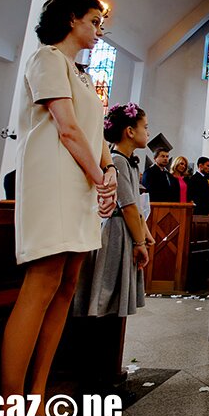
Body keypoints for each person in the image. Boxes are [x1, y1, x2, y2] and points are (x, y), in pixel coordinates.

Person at [0, 0, 117, 416]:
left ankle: (39, 392)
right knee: (41, 283)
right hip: (53, 179)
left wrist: (108, 172)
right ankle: (11, 403)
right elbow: (66, 129)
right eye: (94, 21)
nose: (99, 30)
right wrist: (100, 178)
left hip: (82, 182)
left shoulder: (82, 76)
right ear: (71, 19)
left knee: (66, 288)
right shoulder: (46, 59)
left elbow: (94, 134)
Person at [73, 102, 152, 318]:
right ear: (130, 131)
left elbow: (136, 204)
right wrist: (140, 243)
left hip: (127, 229)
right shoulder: (117, 161)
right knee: (107, 290)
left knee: (117, 293)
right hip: (116, 231)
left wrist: (145, 232)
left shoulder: (129, 162)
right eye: (145, 127)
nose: (148, 132)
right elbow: (128, 207)